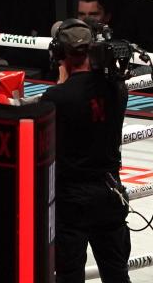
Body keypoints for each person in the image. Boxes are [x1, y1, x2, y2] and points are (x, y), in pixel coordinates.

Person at [41, 19, 130, 283]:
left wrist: (62, 81)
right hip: (109, 192)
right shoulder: (118, 90)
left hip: (71, 200)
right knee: (117, 274)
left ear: (59, 55)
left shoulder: (56, 98)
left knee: (69, 275)